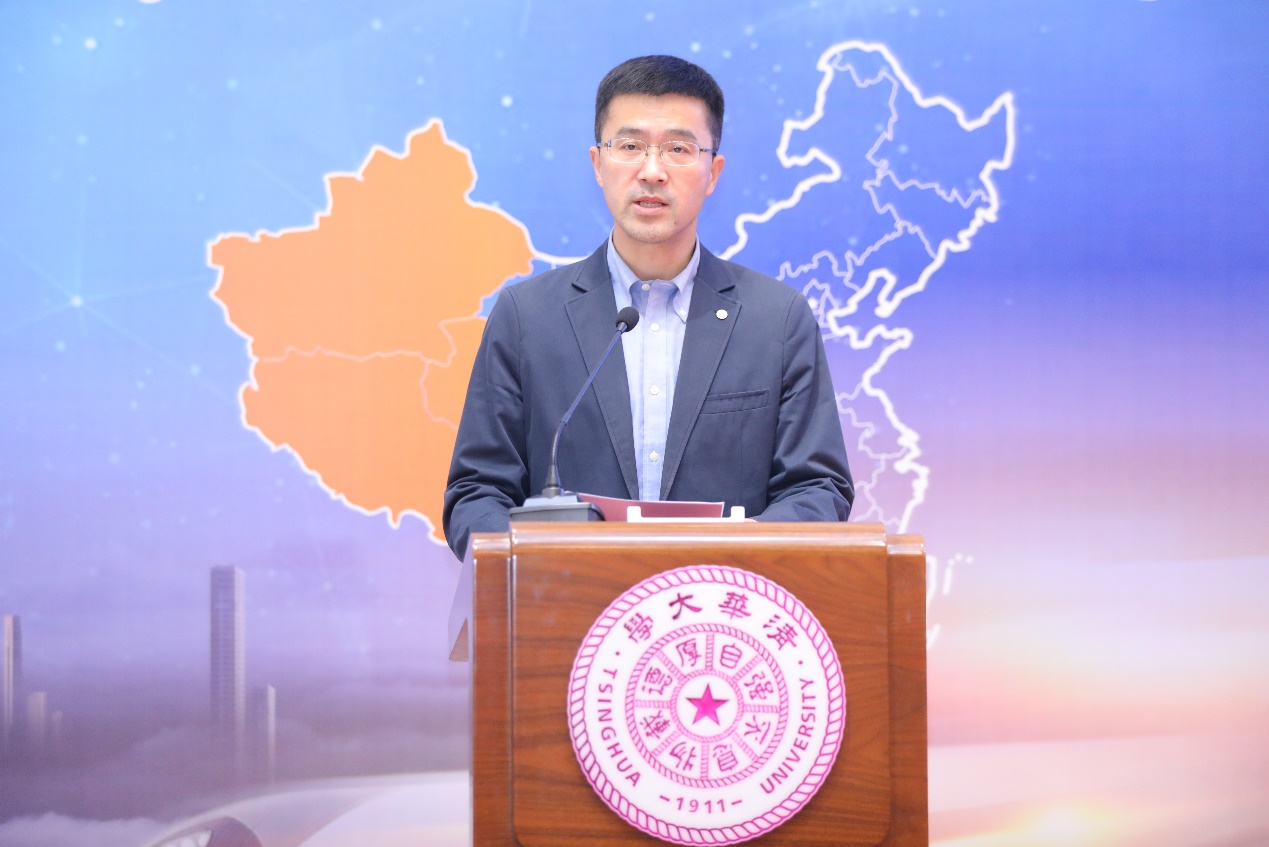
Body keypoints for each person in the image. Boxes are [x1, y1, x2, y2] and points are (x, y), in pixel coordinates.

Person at [442, 55, 853, 560]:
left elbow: (817, 490)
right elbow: (476, 494)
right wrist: (537, 566)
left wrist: (734, 556)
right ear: (598, 164)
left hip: (720, 602)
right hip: (571, 603)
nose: (652, 171)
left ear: (713, 172)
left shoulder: (777, 319)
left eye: (678, 149)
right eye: (630, 146)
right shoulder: (527, 317)